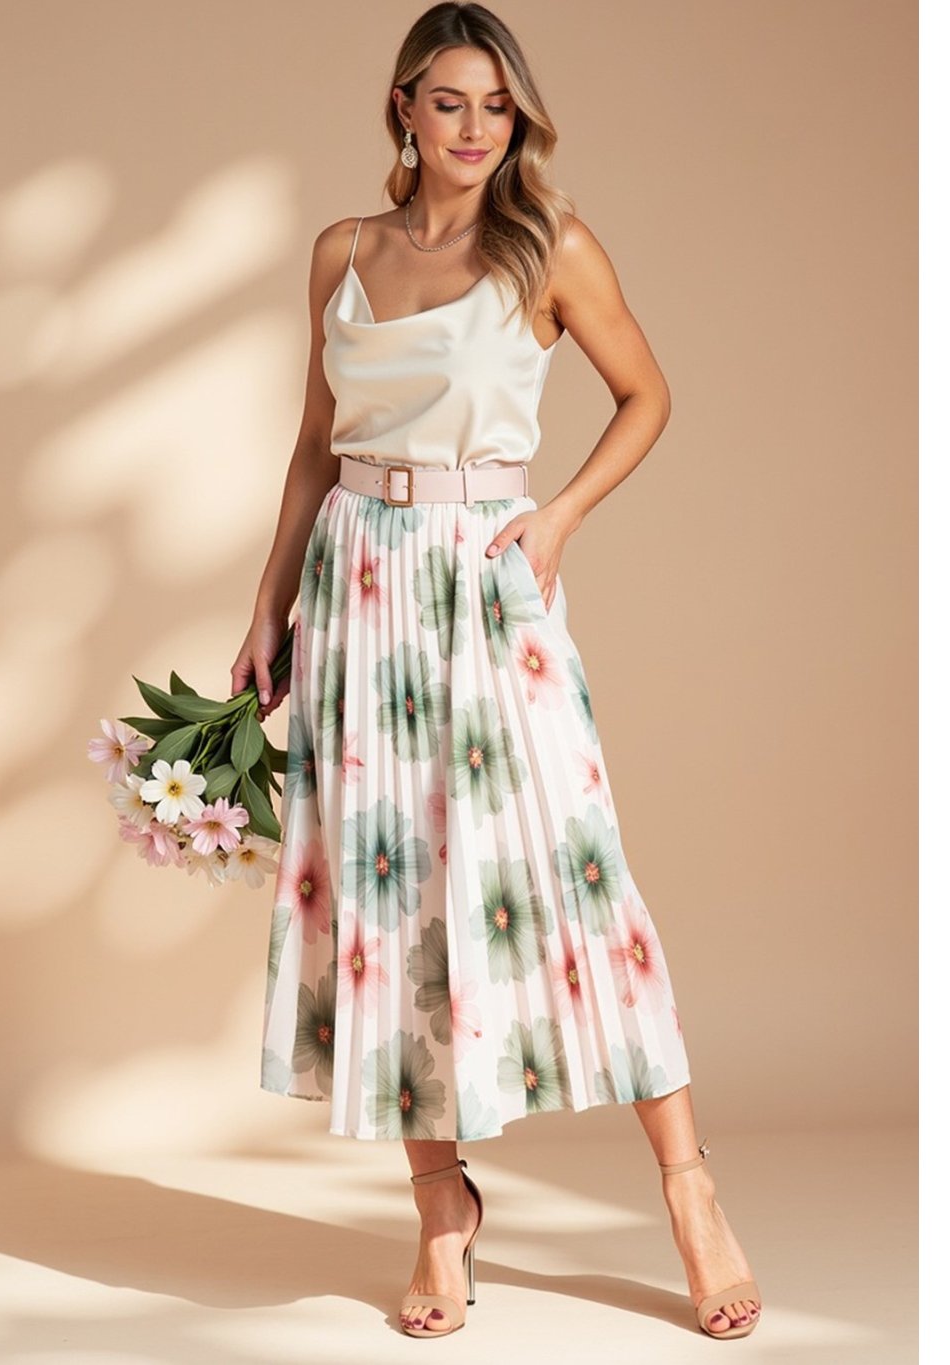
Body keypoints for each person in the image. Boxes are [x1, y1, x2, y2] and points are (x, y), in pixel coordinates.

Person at [230, 0, 761, 1343]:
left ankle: (689, 1188)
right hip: (358, 584)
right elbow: (314, 442)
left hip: (486, 576)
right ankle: (439, 1211)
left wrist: (560, 514)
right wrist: (268, 607)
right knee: (391, 892)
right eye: (450, 101)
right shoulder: (342, 251)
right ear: (403, 108)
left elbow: (648, 394)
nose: (475, 128)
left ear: (518, 119)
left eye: (497, 105)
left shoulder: (549, 246)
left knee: (573, 867)